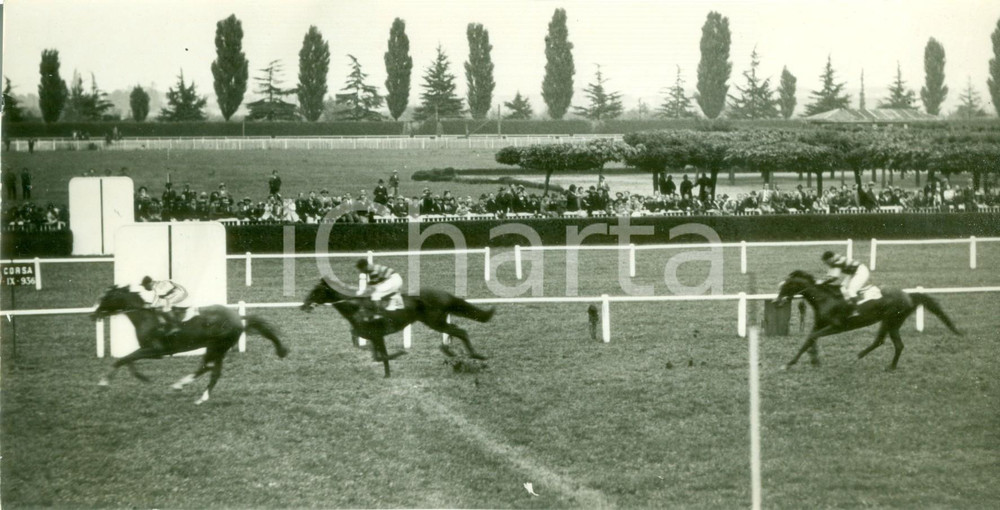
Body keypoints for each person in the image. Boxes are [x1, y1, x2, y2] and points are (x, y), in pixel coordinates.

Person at [820, 251, 872, 315]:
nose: (826, 264)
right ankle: (850, 304)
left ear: (830, 259)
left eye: (826, 262)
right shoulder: (835, 260)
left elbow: (834, 277)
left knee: (851, 291)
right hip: (854, 272)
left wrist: (823, 282)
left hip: (861, 271)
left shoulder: (837, 262)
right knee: (842, 288)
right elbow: (829, 275)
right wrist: (823, 281)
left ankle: (857, 310)